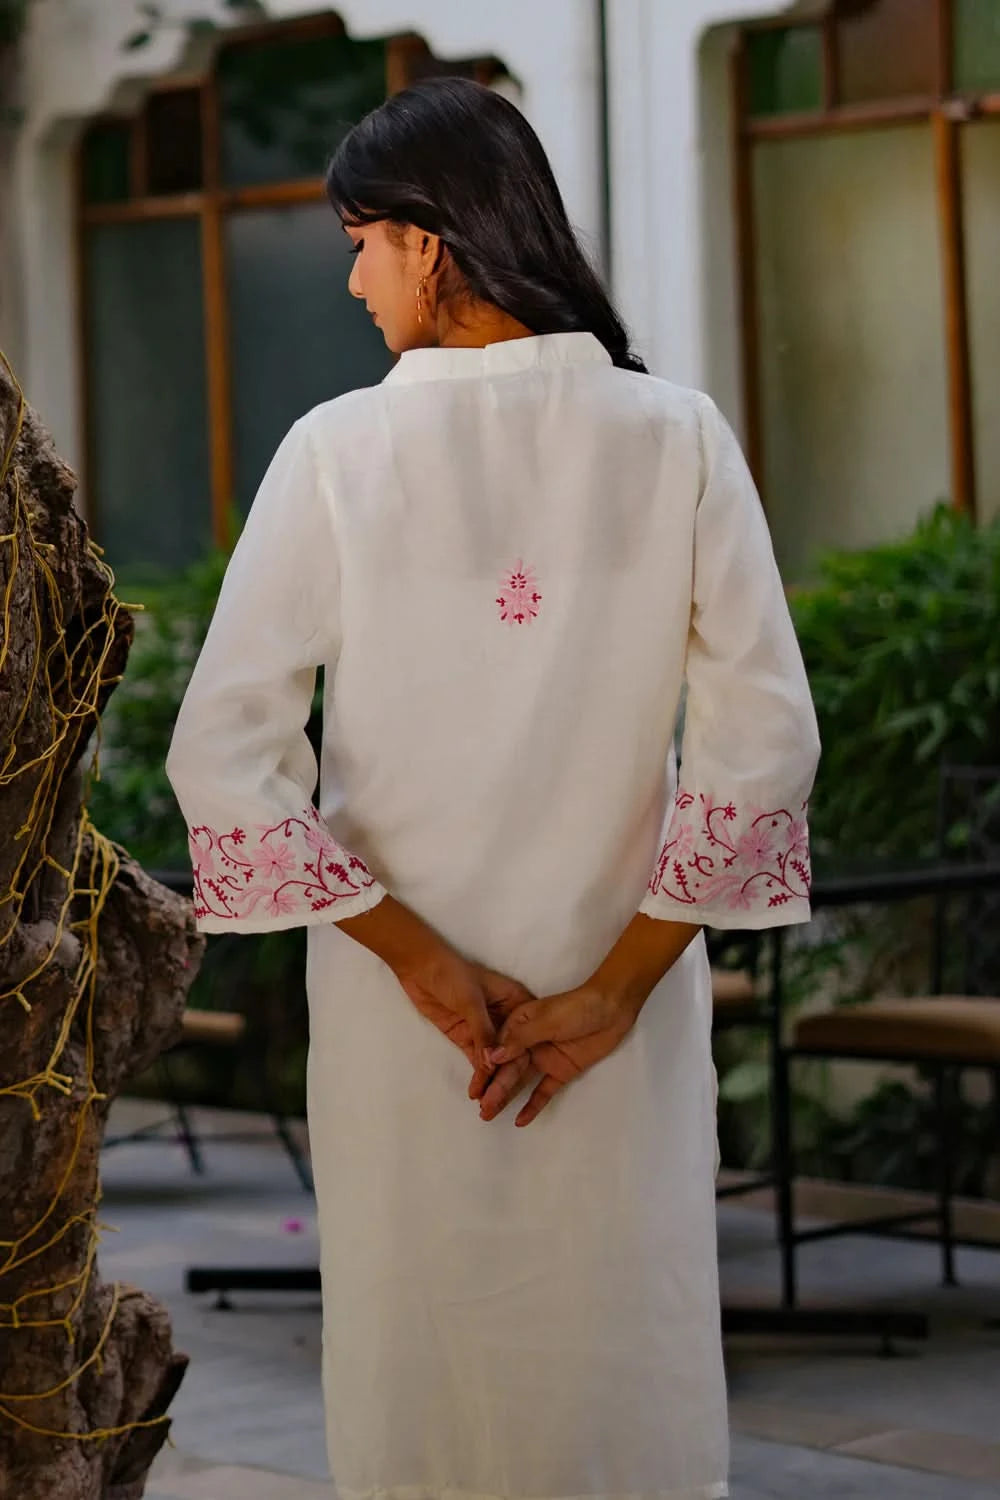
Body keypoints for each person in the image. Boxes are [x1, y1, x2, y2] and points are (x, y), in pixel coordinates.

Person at [166, 76, 819, 1500]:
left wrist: (417, 963)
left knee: (424, 1370)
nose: (349, 277)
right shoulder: (679, 438)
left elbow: (222, 753)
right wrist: (617, 989)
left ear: (431, 242)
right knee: (618, 1357)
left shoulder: (339, 455)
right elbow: (764, 744)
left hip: (420, 1041)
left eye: (358, 240)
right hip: (615, 1026)